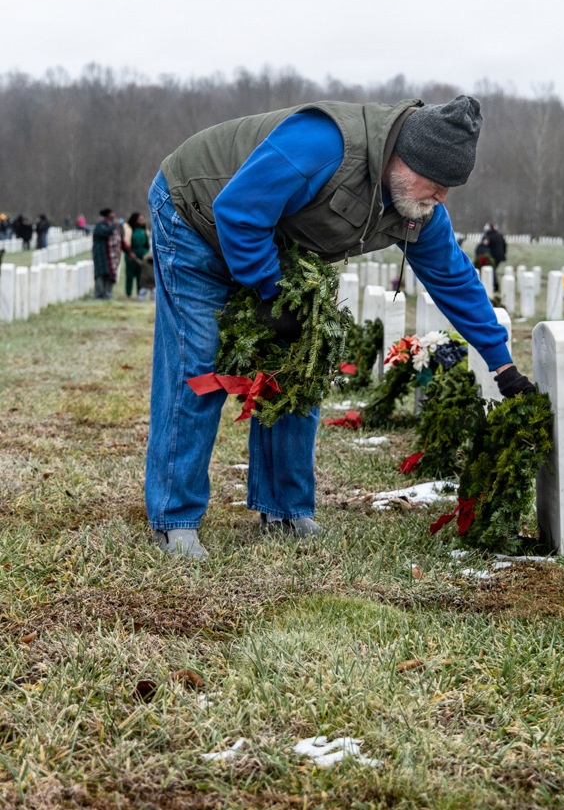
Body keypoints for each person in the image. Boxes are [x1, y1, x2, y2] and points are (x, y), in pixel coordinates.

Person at [146, 95, 537, 558]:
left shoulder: (417, 211)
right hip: (195, 214)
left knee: (300, 367)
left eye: (450, 188)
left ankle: (285, 509)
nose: (441, 196)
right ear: (402, 159)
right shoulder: (324, 144)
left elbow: (455, 281)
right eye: (436, 182)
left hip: (273, 241)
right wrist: (272, 291)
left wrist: (502, 365)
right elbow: (238, 210)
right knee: (200, 360)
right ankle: (174, 517)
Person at [92, 208, 122, 299]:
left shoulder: (112, 225)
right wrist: (114, 225)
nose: (113, 215)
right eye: (111, 213)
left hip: (111, 256)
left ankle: (107, 294)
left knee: (110, 274)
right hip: (101, 253)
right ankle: (99, 294)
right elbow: (105, 232)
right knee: (100, 275)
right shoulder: (100, 225)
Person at [123, 212, 150, 298]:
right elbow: (127, 242)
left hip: (142, 254)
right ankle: (128, 294)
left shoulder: (144, 230)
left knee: (140, 275)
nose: (142, 221)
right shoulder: (130, 229)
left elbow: (147, 243)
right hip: (132, 253)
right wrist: (130, 253)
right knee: (129, 275)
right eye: (140, 219)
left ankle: (139, 294)